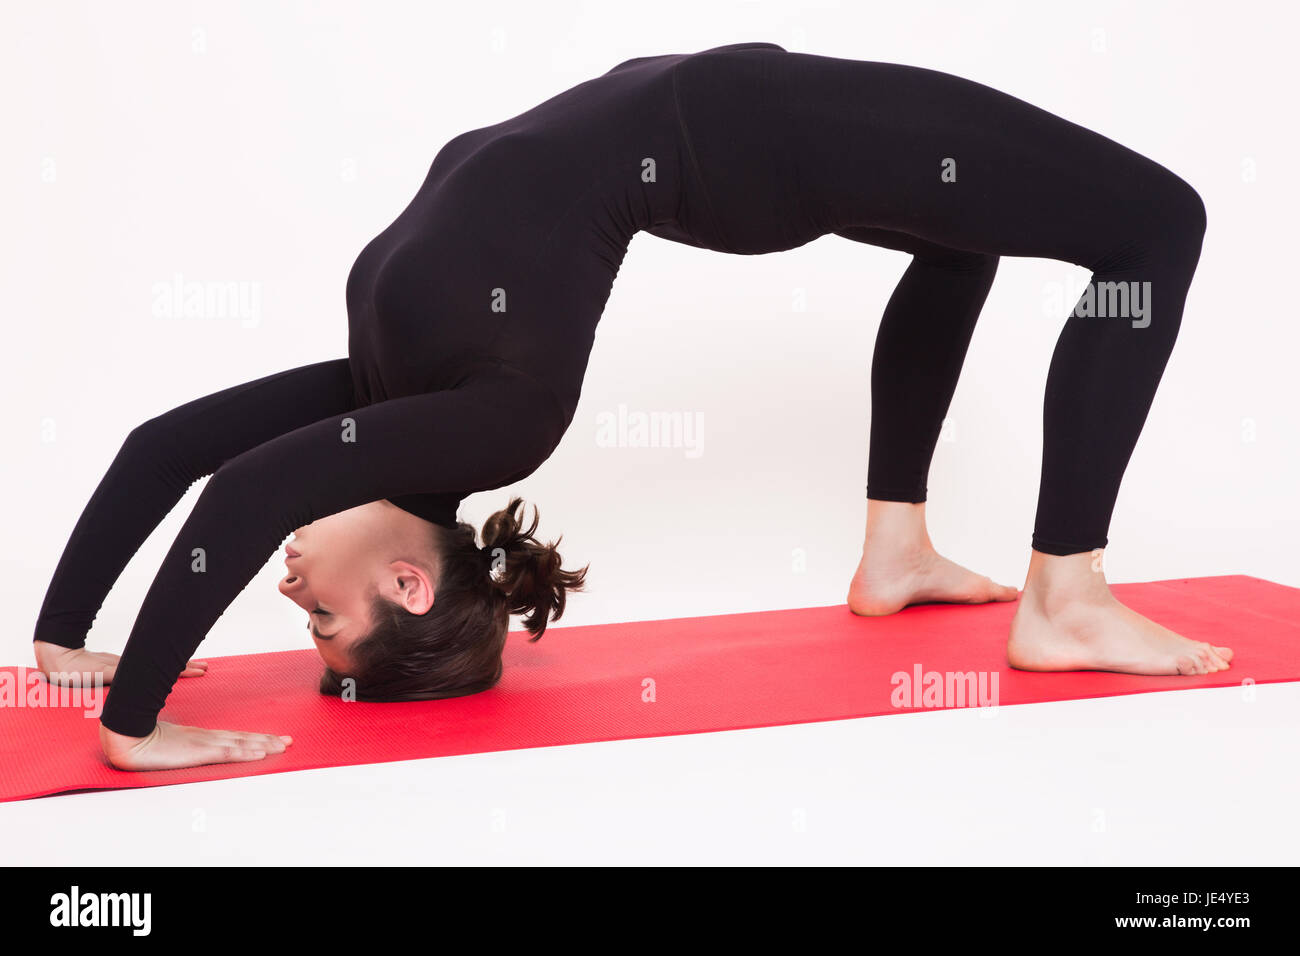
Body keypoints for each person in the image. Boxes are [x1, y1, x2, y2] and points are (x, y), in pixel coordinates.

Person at [33, 42, 1230, 771]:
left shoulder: (390, 401)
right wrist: (135, 725)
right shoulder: (500, 421)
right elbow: (245, 494)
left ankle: (895, 547)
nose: (286, 591)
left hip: (739, 127)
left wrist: (70, 646)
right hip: (754, 138)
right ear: (407, 584)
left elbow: (175, 452)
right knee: (1155, 222)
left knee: (958, 237)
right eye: (320, 623)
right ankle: (1064, 592)